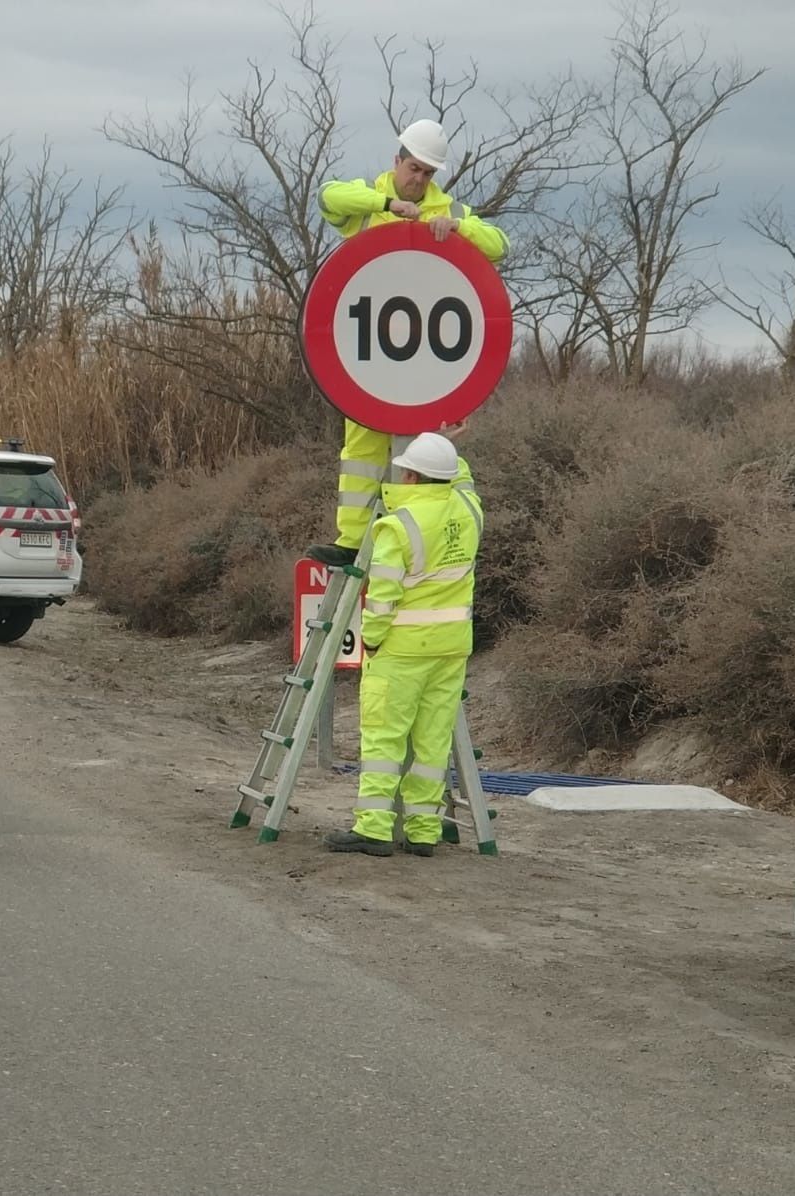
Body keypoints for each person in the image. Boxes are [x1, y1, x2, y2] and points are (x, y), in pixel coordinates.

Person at [307, 118, 507, 569]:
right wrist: (388, 204)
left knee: (416, 456)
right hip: (369, 352)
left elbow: (499, 245)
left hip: (427, 357)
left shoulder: (449, 211)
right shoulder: (368, 198)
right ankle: (351, 542)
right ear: (397, 161)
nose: (419, 179)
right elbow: (326, 196)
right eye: (413, 168)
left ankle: (406, 546)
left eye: (428, 173)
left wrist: (458, 231)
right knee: (360, 452)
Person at [324, 431, 483, 858]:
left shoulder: (398, 526)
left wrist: (371, 643)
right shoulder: (469, 510)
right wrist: (445, 426)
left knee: (383, 741)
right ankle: (423, 832)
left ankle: (374, 829)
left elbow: (381, 598)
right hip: (452, 649)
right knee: (432, 744)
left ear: (410, 475)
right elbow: (462, 478)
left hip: (401, 649)